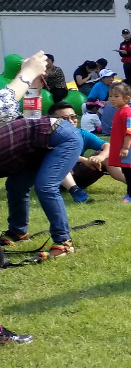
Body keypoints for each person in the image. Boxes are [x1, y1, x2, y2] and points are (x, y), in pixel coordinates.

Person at [0, 86, 83, 258]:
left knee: (46, 186)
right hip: (36, 146)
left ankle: (64, 242)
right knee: (16, 185)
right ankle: (18, 231)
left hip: (63, 137)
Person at [51, 102, 127, 202]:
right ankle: (76, 192)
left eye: (73, 117)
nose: (70, 121)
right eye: (64, 119)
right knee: (59, 161)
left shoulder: (82, 133)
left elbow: (108, 146)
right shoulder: (49, 136)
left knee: (105, 155)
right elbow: (57, 155)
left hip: (77, 175)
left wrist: (100, 157)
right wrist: (84, 160)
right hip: (54, 181)